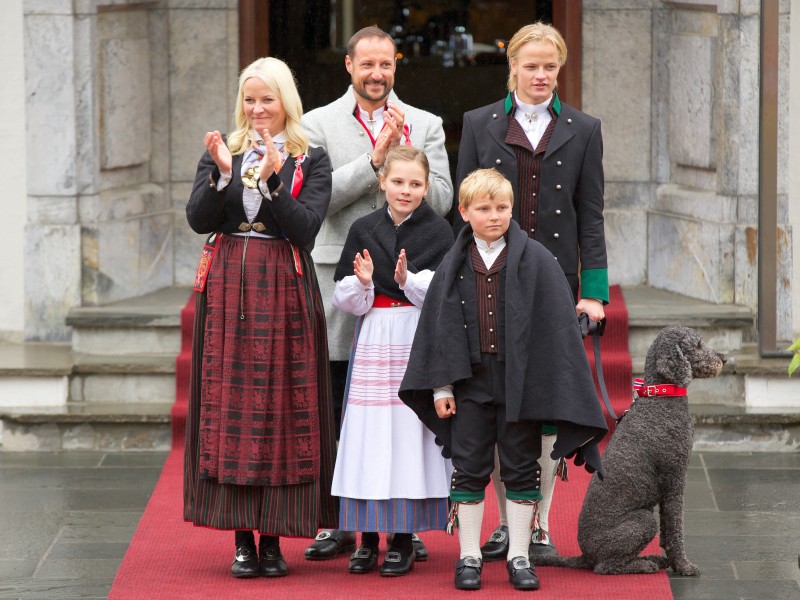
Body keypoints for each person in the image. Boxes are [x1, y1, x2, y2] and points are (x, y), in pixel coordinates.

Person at [399, 168, 608, 591]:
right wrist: (440, 387)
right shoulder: (453, 264)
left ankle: (519, 556)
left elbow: (554, 333)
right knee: (470, 468)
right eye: (484, 208)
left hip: (521, 386)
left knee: (520, 468)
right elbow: (438, 329)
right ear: (463, 211)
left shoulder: (537, 260)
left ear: (512, 209)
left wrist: (549, 390)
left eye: (502, 207)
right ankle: (469, 557)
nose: (494, 216)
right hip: (469, 384)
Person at [454, 21, 609, 560]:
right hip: (490, 279)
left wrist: (594, 292)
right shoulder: (478, 123)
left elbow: (591, 218)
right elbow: (466, 208)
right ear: (512, 67)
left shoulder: (585, 129)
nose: (541, 75)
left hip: (557, 284)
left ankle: (539, 522)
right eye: (532, 65)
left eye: (550, 66)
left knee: (543, 405)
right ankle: (503, 524)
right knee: (500, 403)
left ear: (559, 69)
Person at [302, 25, 453, 562]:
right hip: (345, 273)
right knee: (341, 400)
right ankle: (341, 520)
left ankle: (402, 520)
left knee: (397, 412)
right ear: (349, 66)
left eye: (385, 65)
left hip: (406, 296)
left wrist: (404, 166)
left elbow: (442, 197)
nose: (376, 74)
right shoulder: (317, 124)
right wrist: (373, 162)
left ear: (396, 66)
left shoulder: (427, 123)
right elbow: (316, 199)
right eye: (366, 64)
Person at [183, 57, 337, 579]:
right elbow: (198, 220)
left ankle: (273, 540)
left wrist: (272, 183)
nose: (257, 109)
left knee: (278, 406)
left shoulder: (310, 157)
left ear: (285, 102)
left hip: (283, 284)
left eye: (267, 99)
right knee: (230, 404)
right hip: (228, 283)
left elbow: (306, 230)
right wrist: (224, 175)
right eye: (249, 99)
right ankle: (242, 540)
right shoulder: (222, 149)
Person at [329, 145, 453, 577]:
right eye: (397, 181)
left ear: (426, 187)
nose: (405, 190)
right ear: (382, 182)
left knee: (406, 434)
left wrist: (408, 280)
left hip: (414, 339)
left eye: (415, 183)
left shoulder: (439, 232)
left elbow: (443, 293)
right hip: (376, 336)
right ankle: (365, 539)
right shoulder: (364, 228)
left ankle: (401, 537)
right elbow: (346, 297)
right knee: (369, 433)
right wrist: (364, 283)